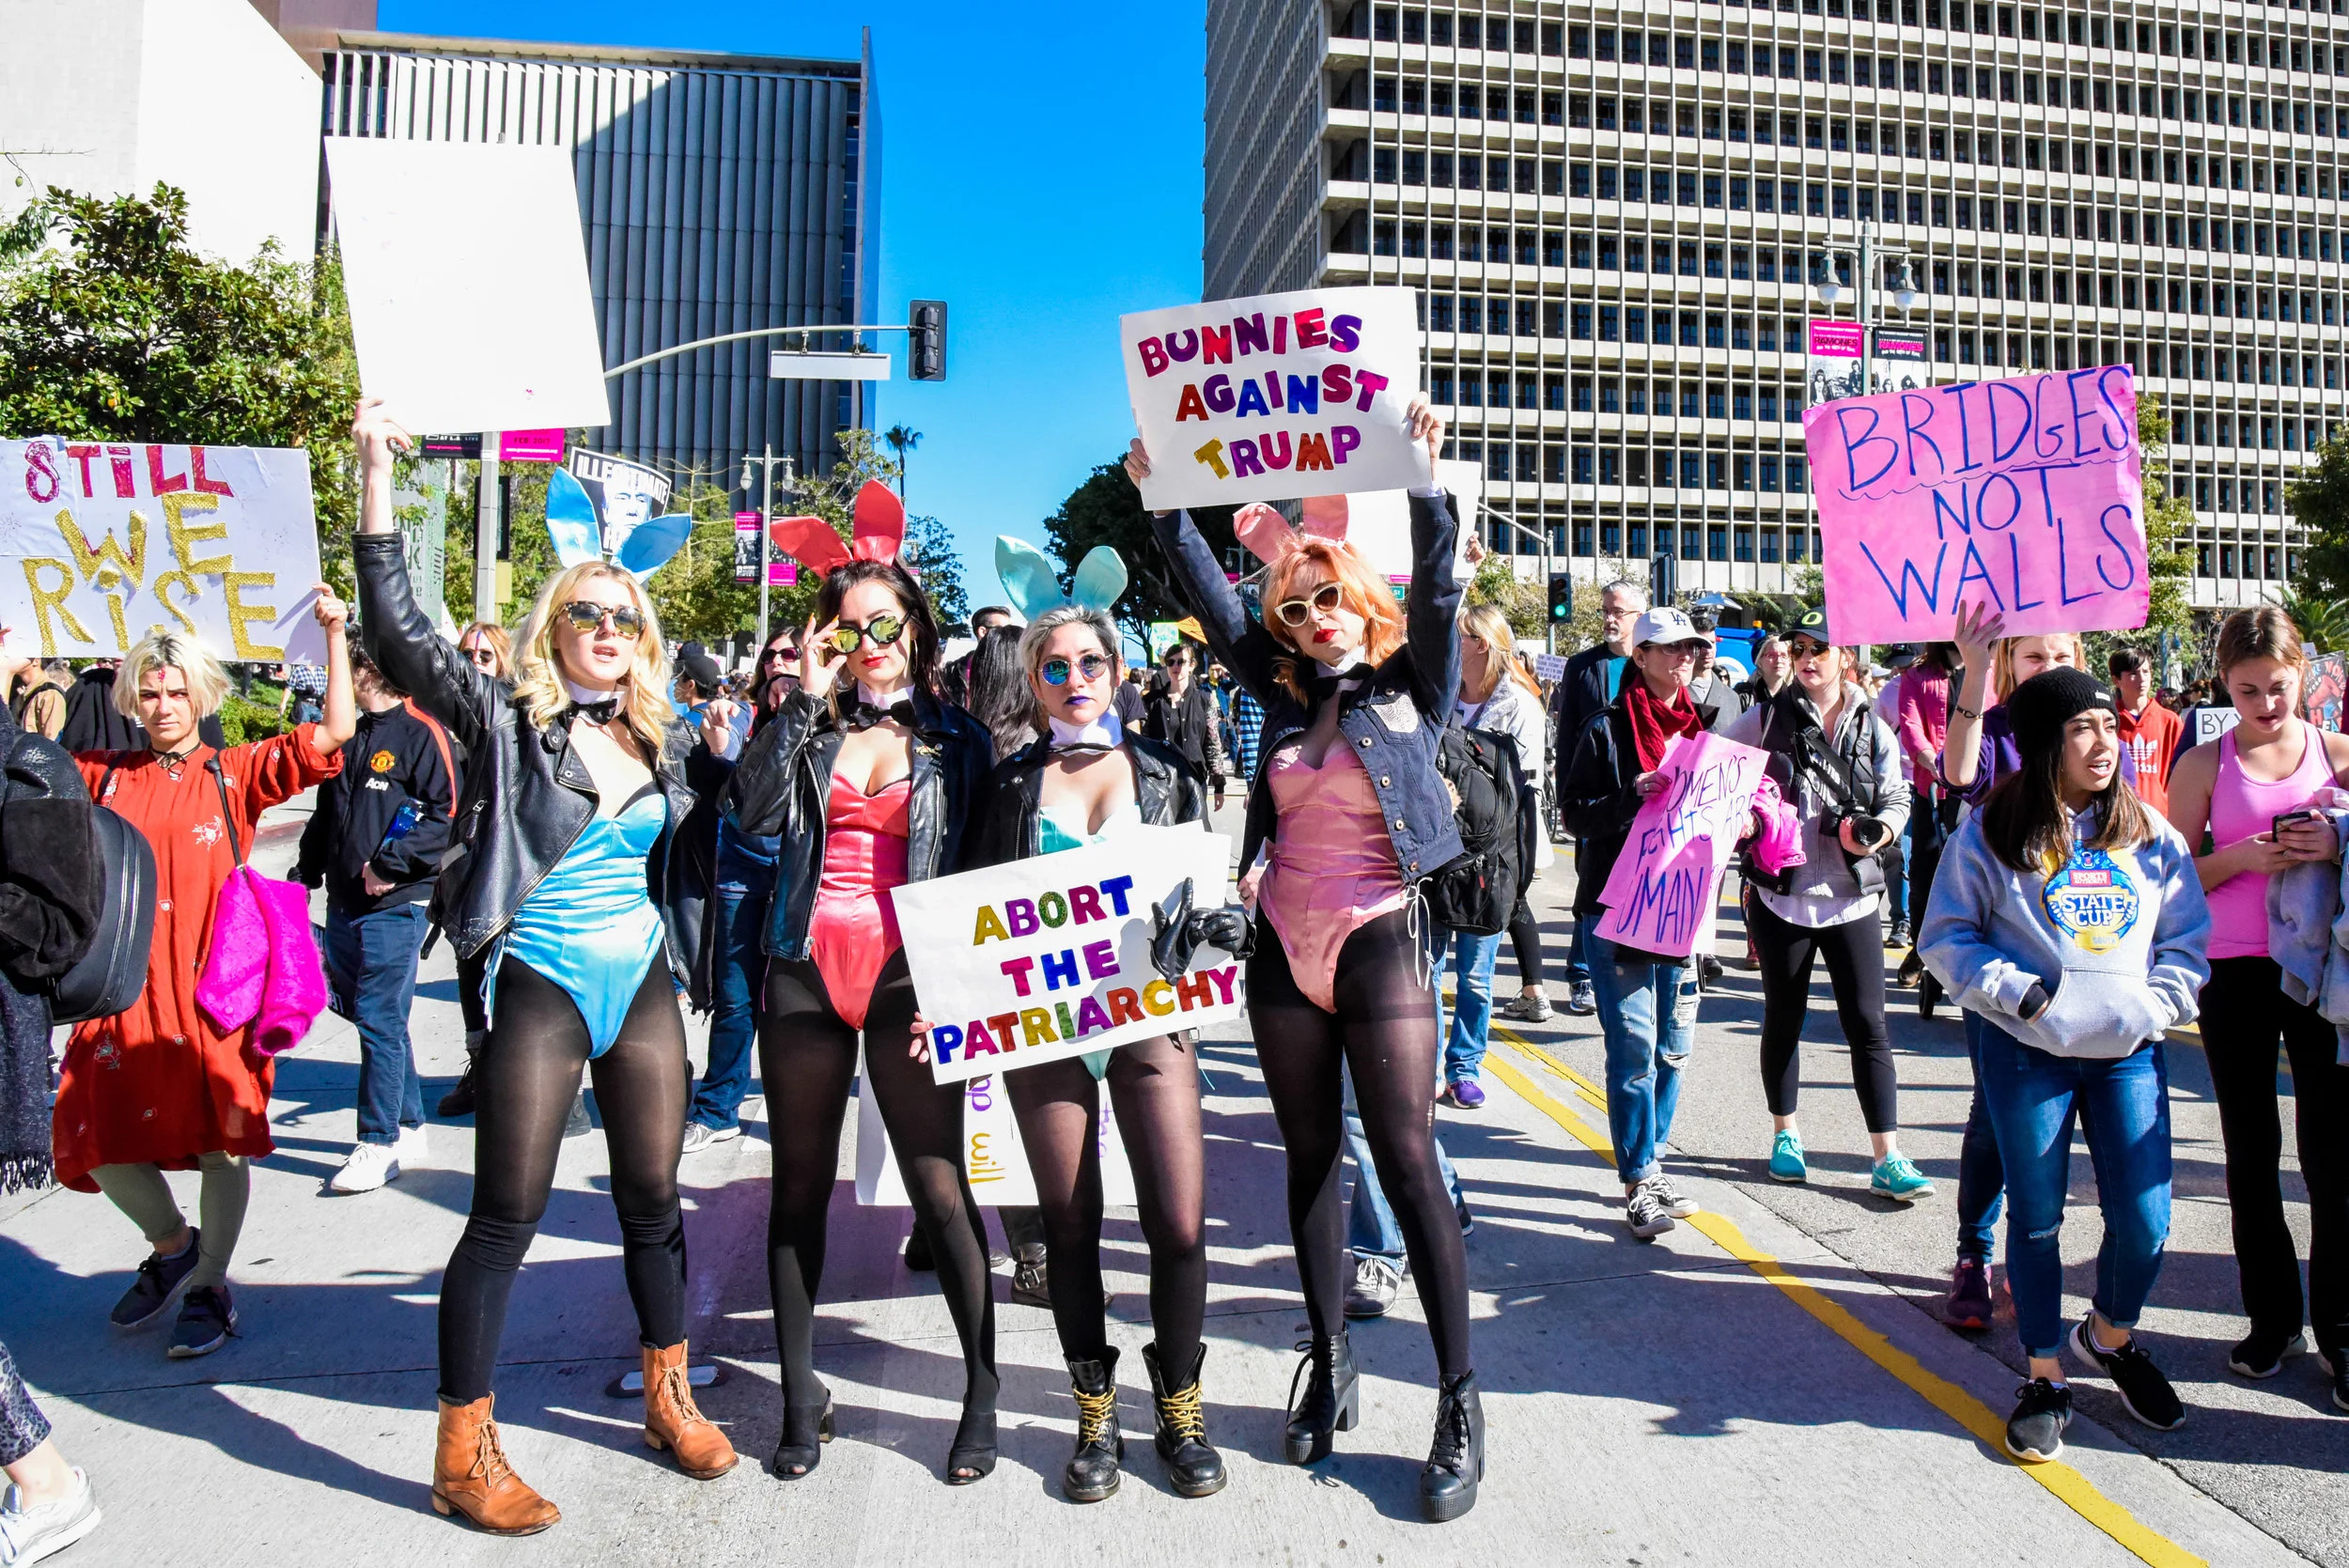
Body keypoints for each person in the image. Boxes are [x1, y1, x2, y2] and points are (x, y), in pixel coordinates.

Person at [354, 400, 737, 1533]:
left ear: (644, 632)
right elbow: (398, 628)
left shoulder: (658, 733)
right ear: (555, 624)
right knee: (506, 1214)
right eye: (588, 611)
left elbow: (707, 843)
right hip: (546, 979)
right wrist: (378, 478)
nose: (608, 625)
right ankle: (462, 1451)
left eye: (624, 613)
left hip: (644, 982)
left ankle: (668, 1395)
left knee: (654, 1198)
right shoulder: (504, 719)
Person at [1130, 396, 1485, 1524]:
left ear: (1360, 604)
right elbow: (1208, 592)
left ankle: (1458, 1400)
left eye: (1333, 598)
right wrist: (1164, 500)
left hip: (1379, 933)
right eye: (1299, 603)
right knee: (1308, 1156)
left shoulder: (1412, 685)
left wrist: (1426, 484)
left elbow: (1437, 590)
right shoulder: (1279, 694)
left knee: (1407, 1157)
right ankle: (1330, 1360)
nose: (1318, 615)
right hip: (1285, 942)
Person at [720, 483, 998, 1488]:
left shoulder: (958, 743)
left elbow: (980, 876)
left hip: (902, 979)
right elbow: (748, 818)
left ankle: (979, 1392)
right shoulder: (808, 727)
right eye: (850, 629)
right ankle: (800, 1401)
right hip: (802, 969)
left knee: (939, 1185)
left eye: (886, 624)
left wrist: (957, 994)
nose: (870, 642)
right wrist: (799, 690)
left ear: (917, 632)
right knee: (798, 1187)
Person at [955, 602, 1226, 1502]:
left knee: (1179, 1224)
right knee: (1069, 1224)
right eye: (1054, 668)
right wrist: (949, 1004)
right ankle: (1095, 1405)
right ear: (1033, 683)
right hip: (1044, 1030)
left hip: (1149, 1017)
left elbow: (1203, 904)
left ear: (1116, 669)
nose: (1076, 680)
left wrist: (1225, 928)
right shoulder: (1004, 787)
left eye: (1090, 663)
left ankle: (1180, 1400)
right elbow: (966, 907)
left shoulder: (1170, 773)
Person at [1921, 667, 2212, 1460]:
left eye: (2108, 727)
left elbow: (2187, 942)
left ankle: (2109, 1337)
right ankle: (2047, 1372)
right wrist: (2020, 997)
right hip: (2029, 1057)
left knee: (2147, 1221)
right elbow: (1944, 937)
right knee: (2039, 1217)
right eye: (2082, 728)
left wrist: (2156, 1007)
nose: (2103, 742)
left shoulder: (2151, 835)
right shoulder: (1989, 830)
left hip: (2128, 1058)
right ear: (2046, 741)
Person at [55, 604, 353, 1361]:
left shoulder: (236, 771)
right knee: (89, 1132)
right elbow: (11, 766)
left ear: (203, 694)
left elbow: (333, 734)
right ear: (130, 697)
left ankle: (211, 1282)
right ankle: (172, 1242)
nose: (163, 706)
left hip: (214, 993)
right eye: (150, 693)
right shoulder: (99, 776)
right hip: (123, 991)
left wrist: (335, 633)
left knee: (223, 1144)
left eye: (177, 692)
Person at [2164, 608, 2349, 1409]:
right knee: (2250, 1151)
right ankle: (2273, 1319)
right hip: (2234, 974)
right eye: (2248, 691)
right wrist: (2243, 856)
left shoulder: (2337, 753)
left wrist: (2337, 844)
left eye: (2278, 687)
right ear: (2224, 686)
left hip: (2318, 975)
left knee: (2334, 1160)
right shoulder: (2203, 762)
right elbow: (2170, 879)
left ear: (2301, 675)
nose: (2267, 704)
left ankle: (2340, 1331)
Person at [1934, 611, 2136, 1330]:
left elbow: (2134, 842)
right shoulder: (1994, 733)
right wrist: (1975, 669)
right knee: (1995, 1109)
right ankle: (1974, 1254)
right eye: (2032, 655)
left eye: (2060, 653)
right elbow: (1957, 773)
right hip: (2001, 961)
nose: (2048, 664)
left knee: (2057, 1119)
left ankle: (2030, 1256)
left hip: (2084, 954)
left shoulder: (2105, 745)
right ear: (2013, 664)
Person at [1725, 609, 1931, 1203]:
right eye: (1800, 646)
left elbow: (1897, 796)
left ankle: (1888, 1155)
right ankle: (1785, 1135)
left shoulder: (1873, 726)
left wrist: (1880, 833)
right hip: (1780, 894)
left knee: (1868, 1024)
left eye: (1822, 646)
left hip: (1852, 899)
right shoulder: (1764, 720)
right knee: (1783, 1017)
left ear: (1848, 657)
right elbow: (1721, 770)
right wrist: (1744, 813)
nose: (1808, 656)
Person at [1558, 607, 1714, 1241]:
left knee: (1673, 1045)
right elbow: (1574, 814)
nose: (1682, 658)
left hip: (1681, 905)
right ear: (1641, 657)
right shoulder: (1606, 726)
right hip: (1617, 907)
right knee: (1632, 1047)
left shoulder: (1703, 729)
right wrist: (1632, 796)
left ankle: (1656, 1155)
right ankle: (1638, 1177)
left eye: (1690, 649)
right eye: (1669, 648)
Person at [296, 642, 457, 1196]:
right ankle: (410, 1125)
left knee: (377, 1017)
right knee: (377, 1017)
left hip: (397, 902)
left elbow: (447, 816)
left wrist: (392, 864)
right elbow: (328, 812)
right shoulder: (350, 733)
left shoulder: (421, 731)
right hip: (344, 901)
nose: (335, 677)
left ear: (371, 670)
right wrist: (304, 872)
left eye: (346, 667)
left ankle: (378, 1141)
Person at [1452, 602, 1552, 1070]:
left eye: (1459, 636)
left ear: (1481, 645)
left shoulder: (1519, 704)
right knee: (1428, 971)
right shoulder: (1443, 694)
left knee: (1474, 972)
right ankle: (1429, 1065)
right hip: (1437, 850)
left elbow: (1518, 789)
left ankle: (1465, 1064)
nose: (1451, 644)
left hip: (1493, 852)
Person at [1549, 577, 1647, 1016]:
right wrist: (1569, 797)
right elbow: (1568, 734)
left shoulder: (1651, 664)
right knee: (1591, 885)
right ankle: (1581, 972)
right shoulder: (1582, 666)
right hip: (1595, 801)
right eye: (1605, 610)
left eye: (1619, 611)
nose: (1610, 618)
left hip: (1642, 800)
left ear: (1639, 617)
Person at [436, 623, 521, 1123]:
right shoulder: (439, 718)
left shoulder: (510, 716)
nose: (475, 661)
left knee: (514, 979)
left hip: (509, 867)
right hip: (459, 867)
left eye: (486, 655)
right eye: (467, 653)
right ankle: (479, 1066)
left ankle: (541, 1078)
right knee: (470, 970)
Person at [1894, 643, 1957, 999]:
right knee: (1924, 869)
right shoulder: (1918, 676)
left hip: (1977, 791)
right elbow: (1911, 726)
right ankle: (1919, 948)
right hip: (1931, 787)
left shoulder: (1991, 673)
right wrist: (1930, 758)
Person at [1142, 642, 1228, 810]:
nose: (1175, 666)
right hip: (1160, 783)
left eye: (1181, 661)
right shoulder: (1151, 701)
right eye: (1170, 662)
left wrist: (1219, 785)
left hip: (1194, 780)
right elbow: (1143, 742)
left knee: (1195, 832)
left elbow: (1213, 744)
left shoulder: (1205, 700)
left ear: (1192, 666)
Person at [2109, 647, 2185, 819]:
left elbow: (2180, 774)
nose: (2142, 678)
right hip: (2118, 815)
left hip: (2159, 816)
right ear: (2116, 680)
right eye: (2133, 673)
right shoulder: (2108, 721)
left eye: (2146, 671)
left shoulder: (2170, 720)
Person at [940, 604, 1015, 705]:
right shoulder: (951, 673)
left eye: (1011, 631)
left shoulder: (1017, 672)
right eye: (1003, 631)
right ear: (983, 632)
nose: (1010, 636)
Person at [5, 659, 69, 741]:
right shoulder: (22, 689)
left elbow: (50, 741)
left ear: (36, 661)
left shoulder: (50, 693)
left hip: (30, 752)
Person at [1740, 635, 1793, 706]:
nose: (1779, 660)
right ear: (1759, 662)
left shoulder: (1795, 697)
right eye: (1771, 655)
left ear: (1790, 661)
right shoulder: (1744, 696)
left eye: (1784, 656)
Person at [278, 658, 329, 727]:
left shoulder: (321, 671)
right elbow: (289, 687)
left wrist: (326, 705)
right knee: (302, 733)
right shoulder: (298, 670)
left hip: (317, 707)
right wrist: (283, 703)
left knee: (319, 732)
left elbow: (325, 690)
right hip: (303, 706)